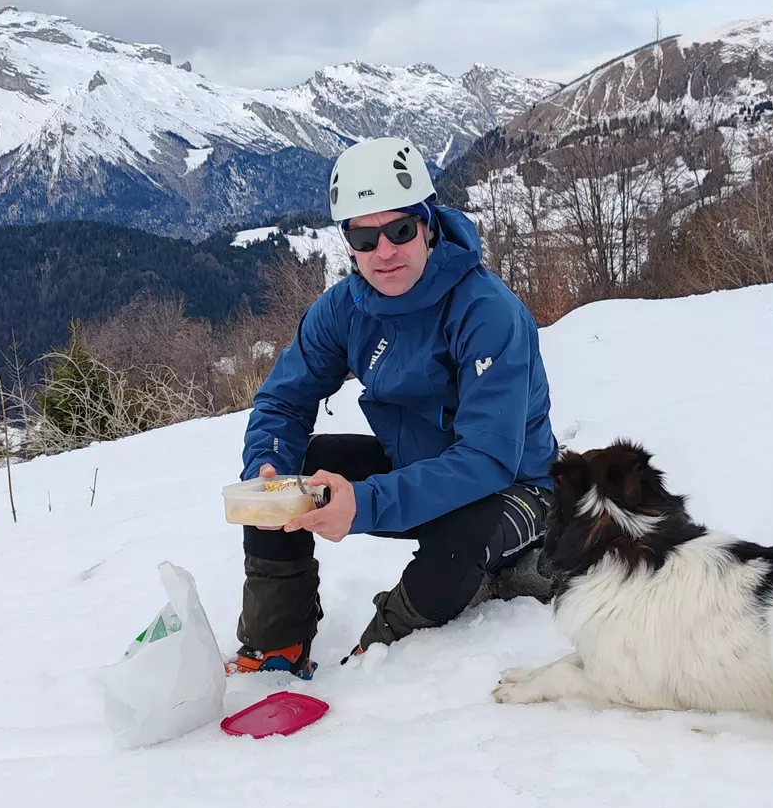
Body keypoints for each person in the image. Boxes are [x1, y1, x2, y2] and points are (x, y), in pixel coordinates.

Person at [228, 136, 560, 678]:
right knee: (288, 476)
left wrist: (365, 501)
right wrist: (267, 466)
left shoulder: (487, 312)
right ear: (348, 242)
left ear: (428, 223)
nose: (384, 250)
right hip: (416, 470)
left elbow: (486, 458)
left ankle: (382, 654)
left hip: (514, 484)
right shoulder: (343, 309)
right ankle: (275, 644)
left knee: (461, 539)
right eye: (364, 234)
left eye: (400, 229)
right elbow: (284, 400)